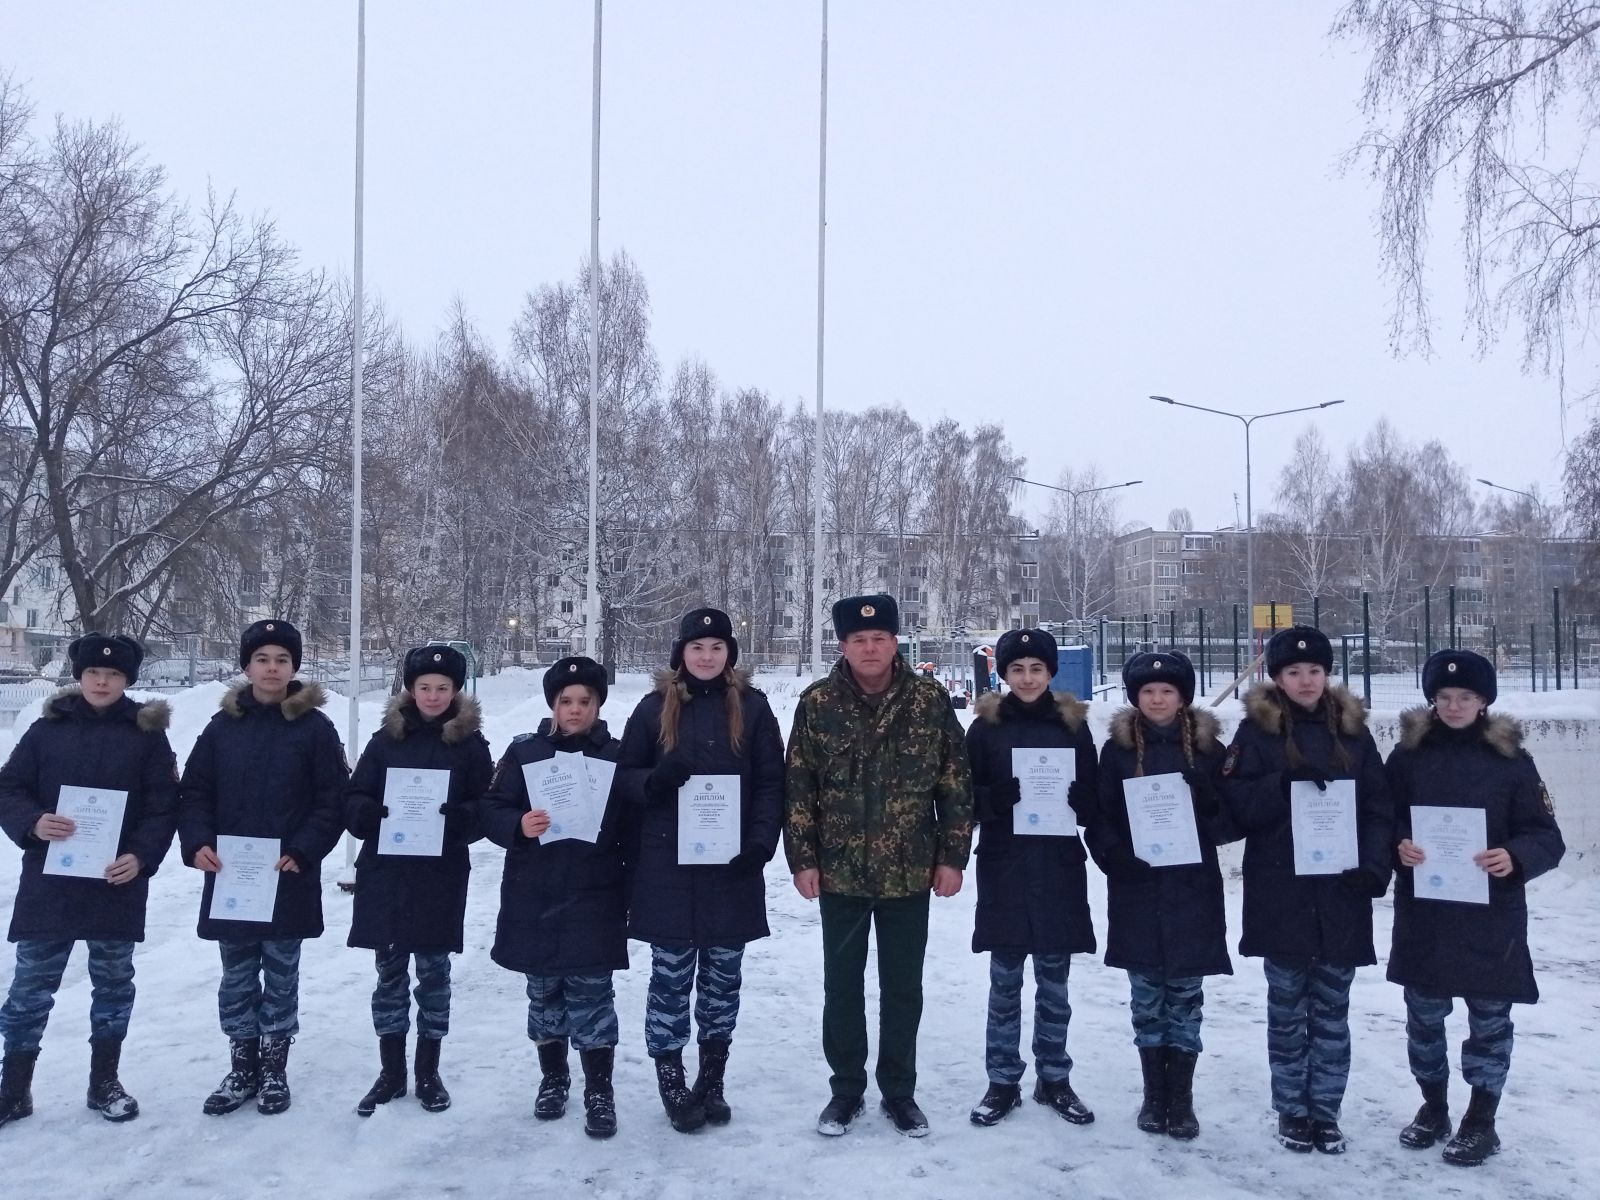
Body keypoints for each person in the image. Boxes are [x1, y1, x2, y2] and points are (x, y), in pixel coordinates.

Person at [785, 593, 972, 1138]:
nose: (870, 648)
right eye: (859, 640)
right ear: (843, 646)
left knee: (903, 988)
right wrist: (802, 859)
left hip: (909, 870)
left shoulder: (929, 701)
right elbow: (798, 787)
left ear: (895, 643)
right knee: (842, 986)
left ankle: (899, 1091)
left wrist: (952, 857)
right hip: (840, 871)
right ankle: (845, 1090)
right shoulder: (818, 703)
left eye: (879, 639)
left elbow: (956, 785)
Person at [1386, 649, 1565, 1167]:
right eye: (1444, 697)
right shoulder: (1408, 757)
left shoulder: (1511, 761)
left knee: (1489, 1022)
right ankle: (1434, 1108)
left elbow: (1546, 836)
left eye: (1465, 696)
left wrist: (1515, 856)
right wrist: (1399, 844)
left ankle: (1481, 1121)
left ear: (1484, 701)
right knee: (1424, 1020)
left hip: (1491, 917)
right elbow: (1380, 817)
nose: (1454, 706)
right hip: (1427, 913)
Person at [1220, 625, 1391, 1155]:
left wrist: (1374, 867)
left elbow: (1380, 809)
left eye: (1314, 670)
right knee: (1287, 1012)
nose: (1305, 680)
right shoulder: (1255, 733)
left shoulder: (1354, 734)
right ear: (1277, 677)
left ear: (1327, 674)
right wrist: (1281, 785)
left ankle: (1327, 1112)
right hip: (1281, 892)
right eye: (1293, 671)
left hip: (1341, 893)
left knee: (1333, 1012)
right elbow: (1232, 806)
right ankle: (1292, 1109)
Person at [616, 609, 785, 1133]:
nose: (707, 656)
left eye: (716, 647)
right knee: (669, 980)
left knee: (722, 982)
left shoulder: (753, 709)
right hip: (667, 869)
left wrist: (760, 845)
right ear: (681, 654)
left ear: (729, 653)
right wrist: (654, 781)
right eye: (697, 647)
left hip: (731, 870)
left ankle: (712, 1080)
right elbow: (622, 778)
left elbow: (771, 784)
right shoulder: (652, 709)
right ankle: (672, 1081)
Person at [0, 635, 177, 1129]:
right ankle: (13, 1088)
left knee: (113, 984)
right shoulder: (47, 730)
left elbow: (164, 807)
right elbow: (9, 787)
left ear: (127, 680)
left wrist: (140, 856)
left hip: (115, 881)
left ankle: (105, 1082)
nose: (102, 681)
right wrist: (33, 821)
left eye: (114, 674)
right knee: (31, 987)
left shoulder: (146, 736)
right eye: (94, 673)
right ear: (79, 676)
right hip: (50, 882)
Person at [178, 619, 348, 1117]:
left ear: (294, 667)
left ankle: (274, 1068)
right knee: (236, 975)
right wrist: (197, 843)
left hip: (286, 873)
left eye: (282, 660)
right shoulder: (221, 727)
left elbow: (332, 799)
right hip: (230, 875)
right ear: (247, 666)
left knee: (280, 973)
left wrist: (306, 849)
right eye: (262, 659)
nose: (272, 668)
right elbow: (195, 792)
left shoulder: (315, 728)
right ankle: (241, 1066)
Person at [480, 656, 629, 1139]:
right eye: (566, 701)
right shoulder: (525, 752)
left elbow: (634, 821)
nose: (575, 709)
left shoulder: (616, 756)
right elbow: (491, 807)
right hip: (536, 894)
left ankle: (599, 1090)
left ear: (598, 705)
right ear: (553, 705)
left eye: (585, 701)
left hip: (594, 894)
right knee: (544, 995)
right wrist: (517, 825)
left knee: (593, 996)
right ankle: (553, 1078)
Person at [1088, 650, 1231, 1140]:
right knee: (1147, 996)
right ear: (1135, 697)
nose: (1157, 699)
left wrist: (1208, 798)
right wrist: (1114, 856)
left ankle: (1181, 1098)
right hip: (1138, 889)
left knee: (1186, 997)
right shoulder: (1118, 751)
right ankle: (1154, 1094)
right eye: (1148, 691)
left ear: (1182, 696)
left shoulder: (1209, 750)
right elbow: (1101, 815)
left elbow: (1231, 821)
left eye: (1167, 691)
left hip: (1192, 890)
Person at [345, 645, 490, 1117]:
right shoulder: (384, 740)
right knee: (389, 976)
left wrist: (461, 818)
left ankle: (428, 1070)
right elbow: (356, 795)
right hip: (387, 874)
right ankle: (391, 1071)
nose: (432, 695)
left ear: (456, 691)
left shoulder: (471, 745)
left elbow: (486, 805)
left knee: (433, 975)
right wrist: (367, 813)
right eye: (424, 687)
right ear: (410, 689)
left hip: (438, 876)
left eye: (442, 688)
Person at [964, 628, 1101, 1129]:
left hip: (1057, 868)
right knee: (1004, 981)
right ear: (1004, 674)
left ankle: (1054, 1077)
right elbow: (961, 796)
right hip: (1005, 865)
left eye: (1036, 669)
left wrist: (1084, 803)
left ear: (1050, 673)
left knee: (1054, 982)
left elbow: (1094, 791)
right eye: (1017, 669)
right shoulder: (985, 729)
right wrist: (993, 800)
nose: (1027, 678)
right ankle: (1002, 1080)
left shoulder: (1072, 727)